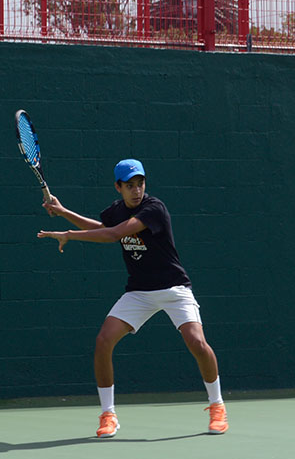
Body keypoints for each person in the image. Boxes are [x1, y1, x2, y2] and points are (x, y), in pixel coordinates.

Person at [37, 158, 227, 438]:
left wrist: (69, 235)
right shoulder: (117, 210)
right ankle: (108, 414)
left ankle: (217, 406)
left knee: (197, 343)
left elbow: (113, 234)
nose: (136, 190)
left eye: (140, 184)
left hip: (174, 289)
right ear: (118, 187)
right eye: (129, 185)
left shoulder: (154, 209)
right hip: (139, 292)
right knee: (104, 340)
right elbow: (101, 227)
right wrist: (64, 212)